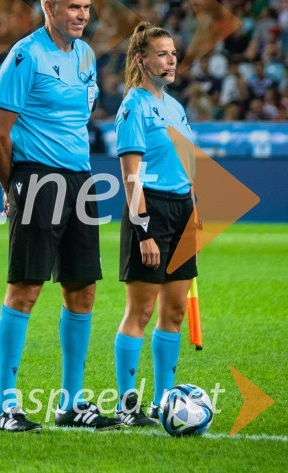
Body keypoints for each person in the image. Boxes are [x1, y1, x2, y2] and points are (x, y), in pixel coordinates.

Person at [0, 0, 120, 432]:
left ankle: (71, 403)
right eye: (73, 8)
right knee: (25, 289)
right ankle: (5, 405)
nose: (83, 16)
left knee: (83, 289)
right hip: (36, 179)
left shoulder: (85, 55)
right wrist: (13, 188)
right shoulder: (25, 57)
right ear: (50, 8)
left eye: (86, 8)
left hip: (81, 179)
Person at [113, 23, 198, 426]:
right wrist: (143, 228)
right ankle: (126, 405)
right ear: (141, 59)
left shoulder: (174, 106)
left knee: (175, 312)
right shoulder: (134, 106)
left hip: (182, 210)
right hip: (151, 210)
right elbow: (131, 176)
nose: (170, 61)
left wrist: (194, 211)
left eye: (174, 54)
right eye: (162, 54)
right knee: (141, 312)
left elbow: (188, 166)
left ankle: (164, 402)